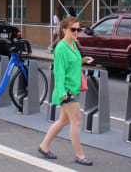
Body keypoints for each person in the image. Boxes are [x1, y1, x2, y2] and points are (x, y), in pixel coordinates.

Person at [38, 17, 94, 166]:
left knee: (63, 121)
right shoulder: (61, 48)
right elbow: (59, 71)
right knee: (76, 121)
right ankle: (80, 155)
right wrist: (62, 91)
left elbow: (71, 63)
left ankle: (44, 146)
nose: (76, 32)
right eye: (73, 29)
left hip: (72, 89)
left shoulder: (73, 45)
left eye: (78, 29)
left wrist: (82, 60)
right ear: (64, 30)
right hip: (67, 91)